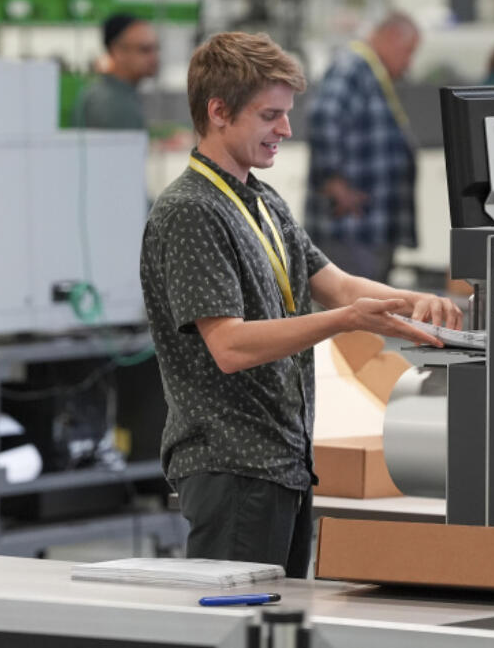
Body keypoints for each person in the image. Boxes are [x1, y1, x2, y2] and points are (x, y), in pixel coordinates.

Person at [140, 31, 461, 577]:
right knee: (237, 628)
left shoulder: (260, 200)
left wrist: (415, 302)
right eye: (270, 116)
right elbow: (231, 345)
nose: (286, 130)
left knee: (279, 623)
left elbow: (334, 282)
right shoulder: (191, 212)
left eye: (286, 114)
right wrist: (347, 322)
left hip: (283, 463)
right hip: (232, 465)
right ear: (218, 111)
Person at [304, 12, 420, 283]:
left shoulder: (370, 73)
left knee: (370, 315)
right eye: (408, 51)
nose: (408, 64)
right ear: (391, 37)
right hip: (351, 225)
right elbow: (324, 116)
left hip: (371, 227)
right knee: (353, 316)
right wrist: (333, 180)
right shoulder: (352, 67)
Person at [76, 13, 160, 130]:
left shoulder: (121, 94)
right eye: (144, 49)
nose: (154, 57)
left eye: (156, 48)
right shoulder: (110, 104)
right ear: (117, 51)